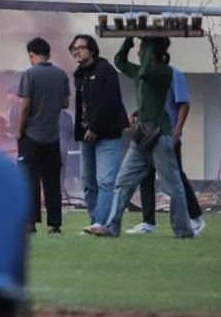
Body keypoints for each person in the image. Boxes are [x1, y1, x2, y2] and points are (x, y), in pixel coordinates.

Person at [89, 38, 194, 239]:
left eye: (143, 50)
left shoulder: (165, 72)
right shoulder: (141, 71)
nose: (139, 53)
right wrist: (128, 40)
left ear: (152, 52)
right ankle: (112, 226)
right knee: (123, 181)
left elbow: (146, 72)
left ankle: (183, 230)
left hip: (160, 135)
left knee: (172, 185)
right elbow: (119, 61)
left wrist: (147, 42)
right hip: (143, 135)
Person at [132, 55, 206, 235]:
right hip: (148, 135)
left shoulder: (174, 74)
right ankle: (148, 222)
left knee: (176, 177)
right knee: (146, 177)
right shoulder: (147, 76)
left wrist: (177, 130)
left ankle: (196, 218)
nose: (142, 55)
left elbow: (184, 104)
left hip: (166, 135)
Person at [68, 35, 128, 231]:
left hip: (107, 135)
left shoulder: (105, 70)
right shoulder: (80, 74)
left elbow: (109, 102)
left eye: (81, 47)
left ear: (92, 50)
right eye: (73, 48)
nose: (76, 51)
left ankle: (104, 223)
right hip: (86, 137)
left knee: (105, 181)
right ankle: (96, 222)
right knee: (88, 181)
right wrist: (81, 131)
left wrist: (94, 127)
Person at [16, 38, 70, 234]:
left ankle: (30, 223)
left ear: (31, 55)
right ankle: (55, 224)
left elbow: (25, 105)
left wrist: (19, 130)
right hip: (52, 136)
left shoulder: (29, 74)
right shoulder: (61, 74)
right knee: (52, 180)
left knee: (29, 179)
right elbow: (65, 103)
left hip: (31, 136)